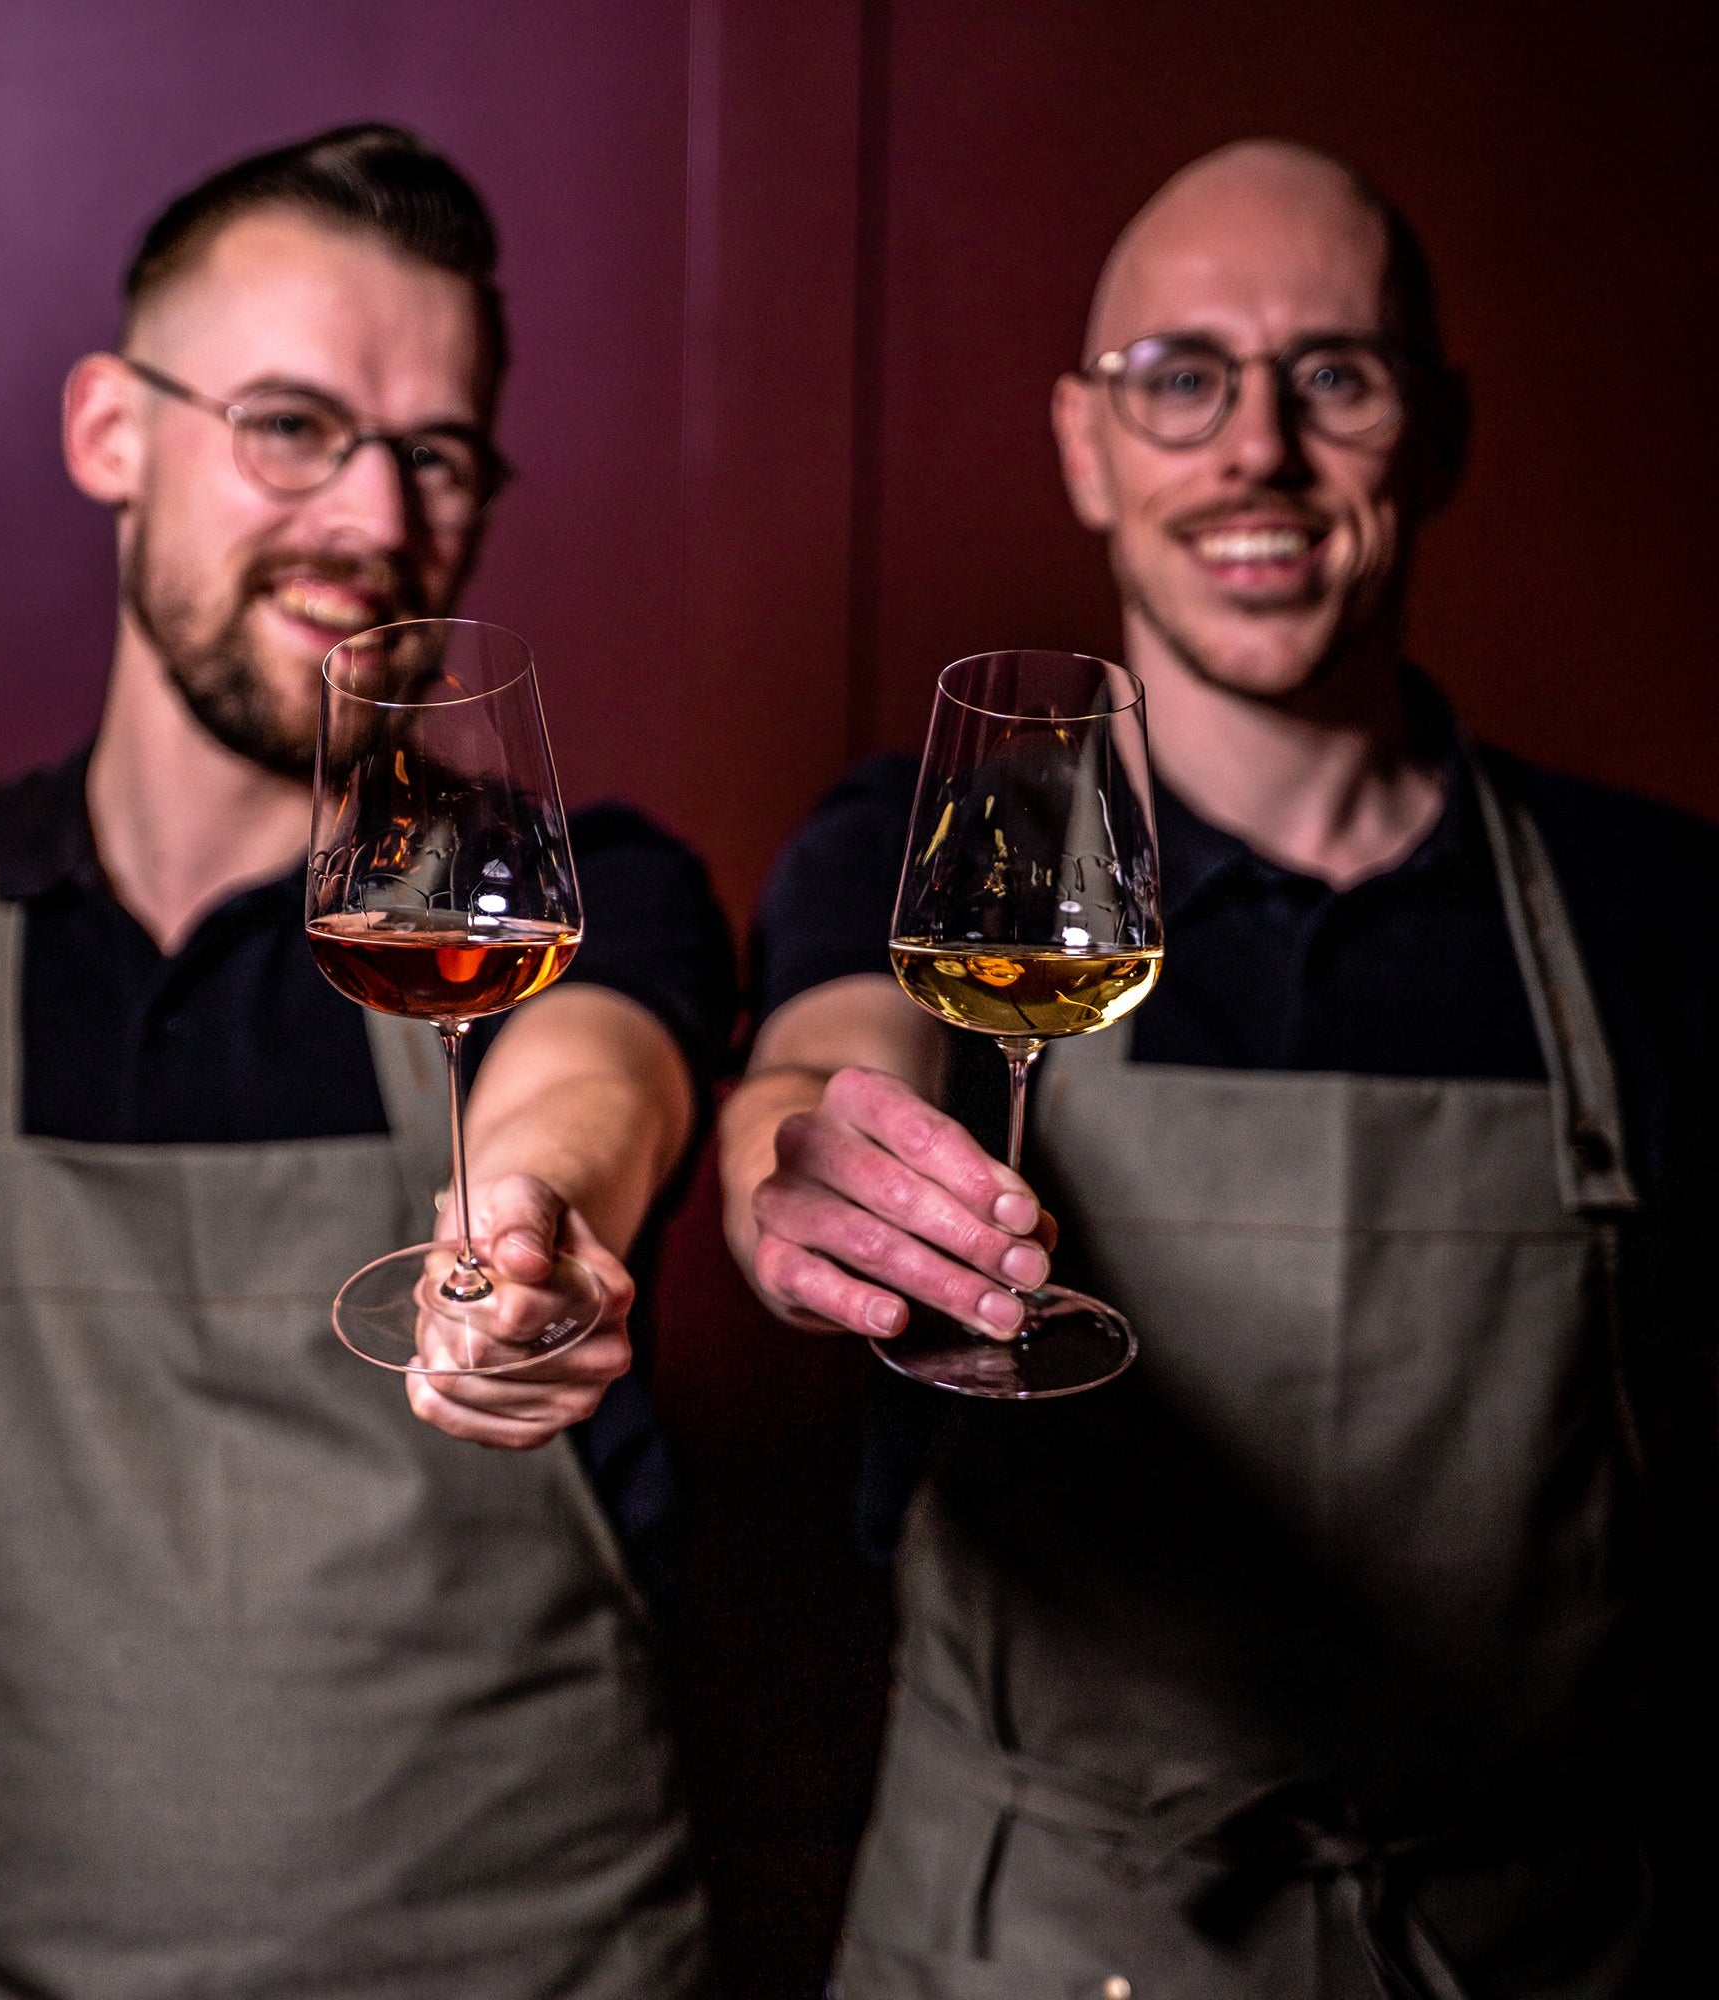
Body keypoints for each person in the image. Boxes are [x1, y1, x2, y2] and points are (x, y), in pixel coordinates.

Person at [0, 125, 730, 2000]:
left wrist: (532, 1228)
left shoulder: (556, 895)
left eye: (435, 453)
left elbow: (595, 1080)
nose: (373, 517)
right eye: (291, 425)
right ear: (113, 429)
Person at [723, 139, 1717, 1995]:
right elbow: (821, 1053)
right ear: (1085, 445)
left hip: (1536, 1939)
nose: (1254, 450)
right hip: (1032, 1938)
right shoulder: (923, 850)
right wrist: (803, 1164)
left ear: (1438, 437)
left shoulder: (1655, 914)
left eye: (1331, 377)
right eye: (1179, 380)